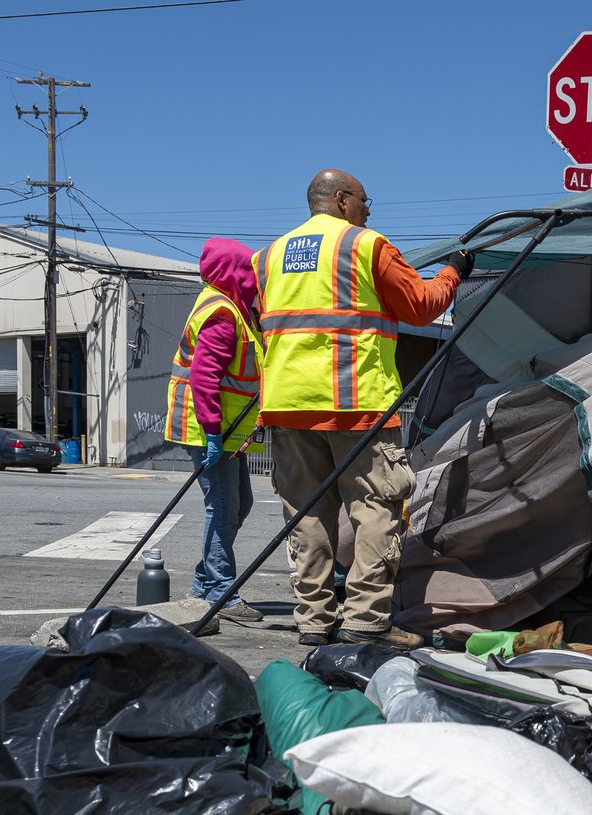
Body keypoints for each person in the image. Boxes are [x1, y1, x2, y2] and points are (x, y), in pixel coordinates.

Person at [253, 169, 473, 648]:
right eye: (365, 200)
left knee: (307, 517)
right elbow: (420, 305)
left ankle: (313, 621)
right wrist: (454, 271)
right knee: (375, 512)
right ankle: (366, 620)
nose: (370, 210)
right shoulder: (365, 245)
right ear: (342, 199)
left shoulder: (267, 257)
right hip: (355, 404)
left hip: (287, 405)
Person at [164, 237, 265, 623]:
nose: (253, 280)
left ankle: (203, 583)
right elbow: (205, 378)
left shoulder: (233, 308)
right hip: (211, 428)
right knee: (222, 508)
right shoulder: (223, 314)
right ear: (233, 272)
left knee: (240, 505)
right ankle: (222, 590)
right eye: (247, 272)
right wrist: (211, 432)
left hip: (226, 429)